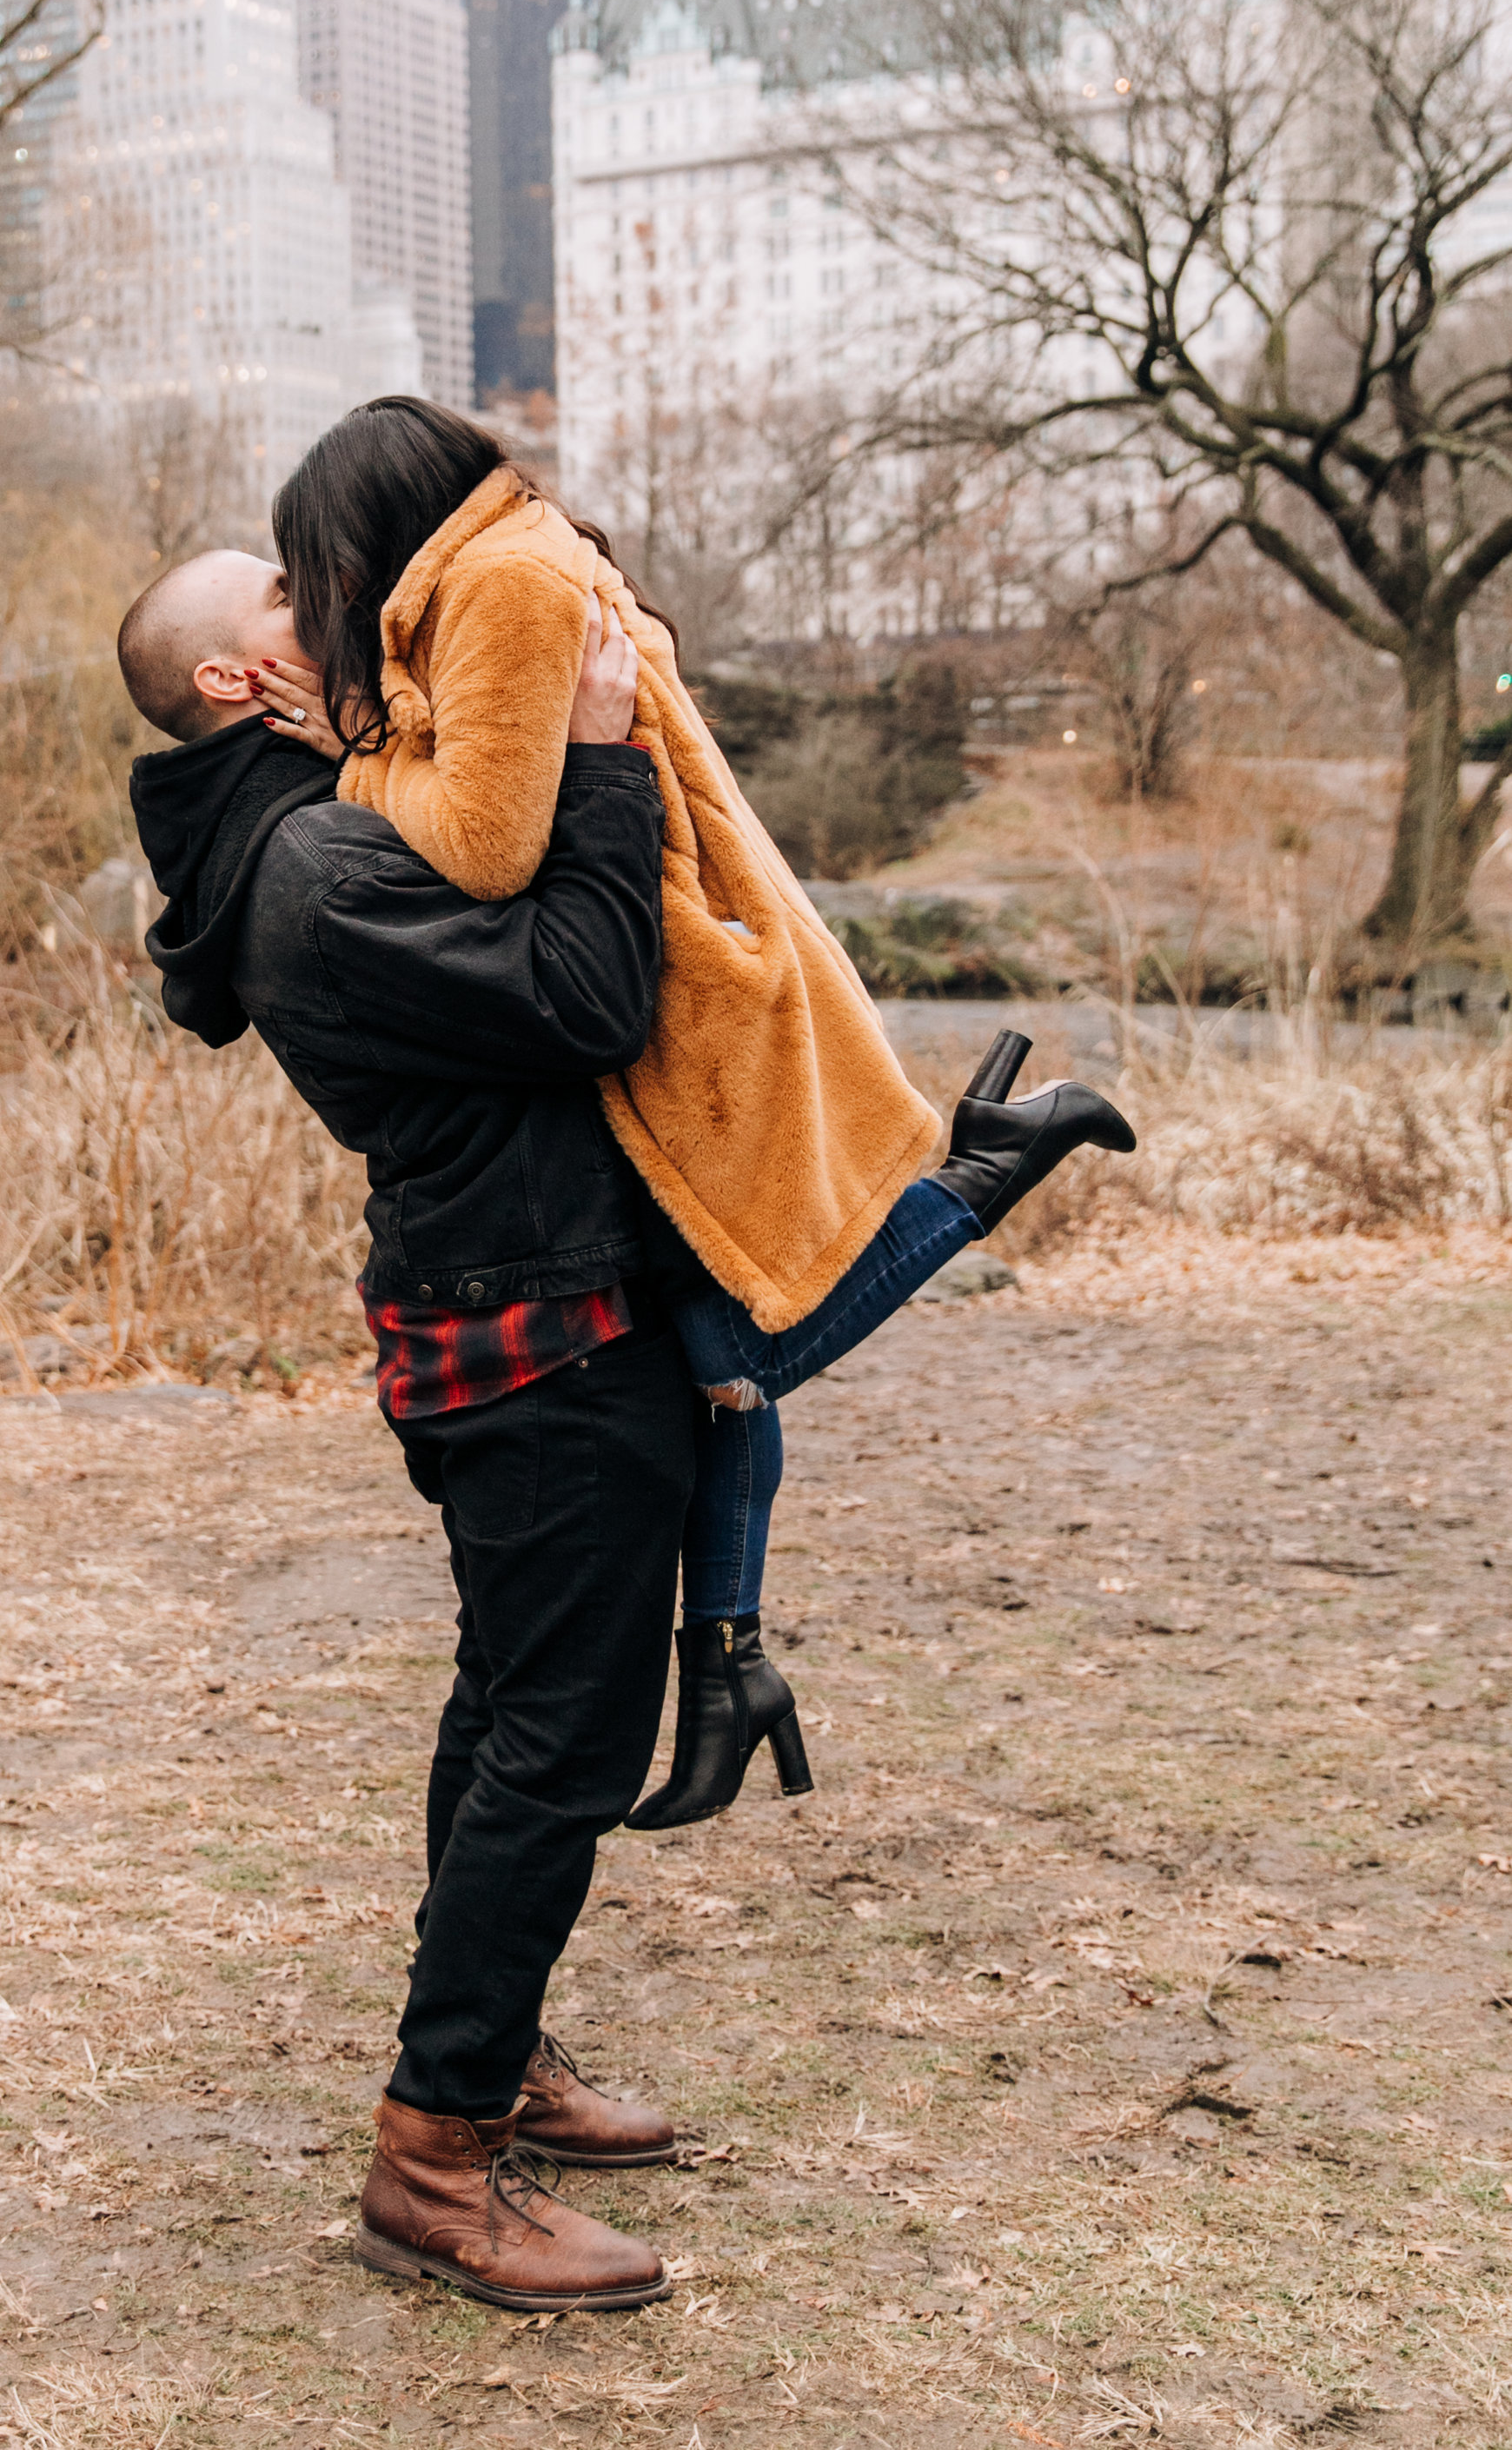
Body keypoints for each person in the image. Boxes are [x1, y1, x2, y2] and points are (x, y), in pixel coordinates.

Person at [255, 398, 1133, 1828]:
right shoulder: (499, 570)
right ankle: (728, 1662)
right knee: (713, 1351)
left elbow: (482, 844)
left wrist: (342, 769)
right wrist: (366, 724)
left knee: (727, 1346)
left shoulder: (504, 584)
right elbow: (493, 773)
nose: (329, 604)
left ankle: (977, 1180)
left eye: (324, 569)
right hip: (672, 980)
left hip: (671, 1000)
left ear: (374, 534)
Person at [122, 557, 698, 2312]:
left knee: (512, 1696)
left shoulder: (323, 812)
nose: (341, 600)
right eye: (290, 597)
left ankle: (493, 2053)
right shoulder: (312, 864)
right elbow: (592, 994)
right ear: (235, 683)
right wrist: (596, 756)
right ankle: (433, 2162)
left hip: (516, 1292)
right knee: (566, 1736)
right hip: (528, 1318)